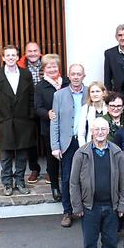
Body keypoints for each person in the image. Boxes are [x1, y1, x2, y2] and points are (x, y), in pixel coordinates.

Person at [69, 118, 124, 248]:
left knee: (110, 241)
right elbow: (73, 183)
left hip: (111, 206)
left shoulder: (117, 152)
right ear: (92, 131)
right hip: (90, 207)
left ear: (108, 131)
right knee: (90, 242)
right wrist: (77, 206)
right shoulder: (81, 153)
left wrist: (123, 204)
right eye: (97, 129)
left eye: (103, 129)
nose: (100, 132)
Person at [0, 44, 36, 196]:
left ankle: (20, 182)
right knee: (6, 156)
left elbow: (31, 97)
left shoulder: (26, 74)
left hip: (24, 121)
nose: (10, 58)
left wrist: (30, 116)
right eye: (7, 55)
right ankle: (7, 183)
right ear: (3, 58)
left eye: (13, 55)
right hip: (5, 122)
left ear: (17, 57)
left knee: (22, 154)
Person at [50, 63, 88, 228]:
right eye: (73, 74)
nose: (76, 77)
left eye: (79, 74)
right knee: (67, 178)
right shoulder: (59, 95)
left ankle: (87, 210)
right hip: (67, 142)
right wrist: (55, 146)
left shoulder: (90, 92)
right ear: (68, 76)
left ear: (83, 76)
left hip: (86, 141)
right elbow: (55, 122)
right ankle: (67, 211)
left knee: (87, 178)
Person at [34, 53, 68, 202]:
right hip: (49, 129)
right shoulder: (40, 86)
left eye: (54, 65)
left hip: (67, 128)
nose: (52, 68)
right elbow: (37, 108)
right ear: (44, 69)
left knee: (68, 158)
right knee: (52, 159)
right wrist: (47, 113)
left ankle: (69, 187)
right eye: (49, 66)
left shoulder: (66, 83)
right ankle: (55, 187)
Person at [18, 42, 42, 184]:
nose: (32, 53)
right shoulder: (20, 66)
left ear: (39, 52)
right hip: (27, 108)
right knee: (30, 141)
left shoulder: (47, 64)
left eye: (35, 51)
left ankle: (52, 170)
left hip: (45, 107)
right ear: (25, 53)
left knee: (48, 140)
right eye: (29, 51)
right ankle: (34, 169)